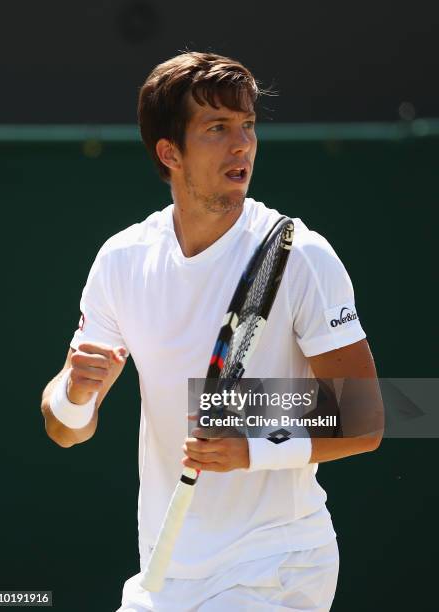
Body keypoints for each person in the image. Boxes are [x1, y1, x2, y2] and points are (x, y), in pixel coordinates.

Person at [41, 51, 382, 611]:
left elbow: (369, 416)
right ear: (169, 152)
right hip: (163, 571)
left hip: (276, 568)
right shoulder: (121, 260)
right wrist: (76, 395)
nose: (242, 144)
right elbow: (65, 430)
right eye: (217, 128)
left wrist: (249, 440)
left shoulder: (305, 257)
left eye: (247, 125)